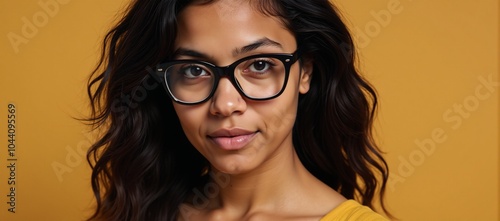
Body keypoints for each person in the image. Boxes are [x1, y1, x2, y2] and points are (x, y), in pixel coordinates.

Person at [85, 0, 393, 220]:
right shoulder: (135, 213)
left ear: (306, 72)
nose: (225, 105)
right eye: (193, 71)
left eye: (259, 65)